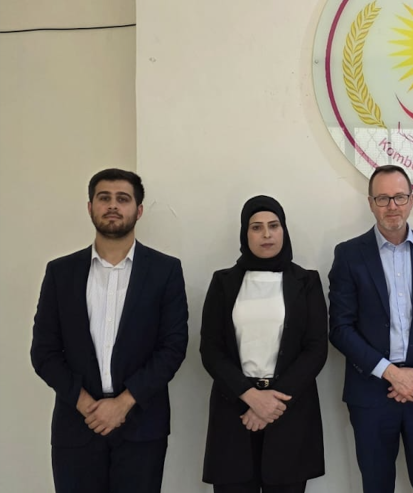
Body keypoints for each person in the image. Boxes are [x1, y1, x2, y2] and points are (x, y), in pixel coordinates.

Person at [31, 168, 189, 493]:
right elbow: (44, 352)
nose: (113, 206)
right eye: (104, 198)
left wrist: (123, 403)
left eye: (123, 198)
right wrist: (86, 403)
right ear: (90, 207)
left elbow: (173, 347)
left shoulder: (165, 271)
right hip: (76, 425)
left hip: (142, 425)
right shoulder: (61, 273)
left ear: (139, 210)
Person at [328, 165, 413, 493]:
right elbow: (340, 328)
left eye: (399, 197)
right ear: (370, 203)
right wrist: (390, 373)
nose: (392, 206)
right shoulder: (348, 255)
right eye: (383, 198)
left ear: (412, 200)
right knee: (376, 486)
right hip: (371, 393)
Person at [200, 195, 327, 493]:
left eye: (274, 225)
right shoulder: (223, 282)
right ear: (245, 234)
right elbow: (211, 349)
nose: (266, 234)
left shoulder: (306, 282)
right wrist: (251, 397)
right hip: (234, 411)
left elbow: (316, 348)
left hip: (290, 411)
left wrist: (272, 401)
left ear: (284, 230)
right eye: (256, 227)